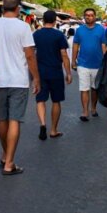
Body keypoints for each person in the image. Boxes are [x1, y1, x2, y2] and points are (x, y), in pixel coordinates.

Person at [0, 0, 38, 176]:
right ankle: (9, 162)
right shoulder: (24, 27)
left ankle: (5, 155)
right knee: (14, 120)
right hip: (18, 81)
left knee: (2, 119)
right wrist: (36, 78)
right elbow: (29, 55)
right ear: (19, 9)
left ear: (3, 8)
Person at [33, 9, 72, 140]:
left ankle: (43, 124)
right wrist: (68, 73)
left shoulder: (36, 35)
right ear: (55, 21)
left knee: (40, 99)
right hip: (55, 72)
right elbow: (64, 55)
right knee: (56, 101)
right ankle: (53, 130)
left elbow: (31, 54)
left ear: (43, 20)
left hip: (40, 72)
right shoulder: (59, 35)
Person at [73, 7, 105, 121]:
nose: (89, 17)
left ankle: (93, 108)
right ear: (84, 16)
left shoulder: (101, 30)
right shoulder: (80, 30)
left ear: (95, 17)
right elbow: (75, 45)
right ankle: (85, 111)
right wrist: (73, 61)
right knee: (84, 88)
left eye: (91, 15)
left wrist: (105, 62)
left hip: (98, 64)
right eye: (87, 15)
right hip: (83, 64)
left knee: (95, 88)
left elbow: (104, 46)